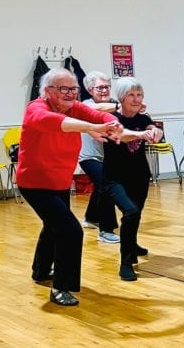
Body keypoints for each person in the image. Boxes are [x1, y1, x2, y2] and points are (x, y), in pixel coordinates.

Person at [17, 67, 122, 306]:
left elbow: (99, 116)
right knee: (71, 231)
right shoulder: (36, 108)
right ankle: (61, 288)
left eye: (73, 89)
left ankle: (41, 271)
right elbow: (56, 122)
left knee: (53, 226)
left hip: (60, 181)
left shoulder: (75, 107)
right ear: (47, 91)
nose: (70, 93)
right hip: (34, 183)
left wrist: (113, 124)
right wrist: (89, 128)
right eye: (63, 89)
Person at [101, 77, 164, 281]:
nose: (136, 99)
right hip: (114, 178)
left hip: (139, 175)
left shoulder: (143, 119)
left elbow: (156, 130)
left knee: (135, 214)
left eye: (139, 95)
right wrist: (143, 135)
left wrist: (155, 131)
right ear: (121, 97)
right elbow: (122, 136)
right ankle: (126, 263)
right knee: (130, 211)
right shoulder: (110, 118)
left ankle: (132, 243)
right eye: (131, 95)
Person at [78, 71, 120, 243]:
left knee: (100, 186)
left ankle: (90, 217)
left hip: (106, 157)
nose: (104, 90)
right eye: (100, 87)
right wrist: (120, 106)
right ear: (90, 90)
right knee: (106, 184)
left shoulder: (113, 104)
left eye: (107, 87)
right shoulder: (85, 104)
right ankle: (106, 230)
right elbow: (95, 110)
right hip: (87, 157)